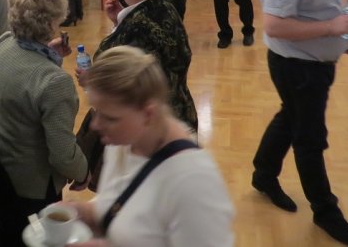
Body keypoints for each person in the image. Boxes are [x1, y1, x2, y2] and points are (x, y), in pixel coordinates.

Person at [251, 0, 348, 246]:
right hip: (297, 67)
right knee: (310, 137)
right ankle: (325, 210)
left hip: (314, 62)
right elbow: (274, 26)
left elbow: (316, 8)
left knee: (291, 117)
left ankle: (263, 174)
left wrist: (335, 41)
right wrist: (331, 29)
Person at [67, 47, 234, 247]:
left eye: (109, 118)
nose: (95, 125)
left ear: (148, 114)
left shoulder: (194, 184)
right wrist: (83, 213)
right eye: (97, 111)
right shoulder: (123, 141)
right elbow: (122, 209)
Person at [0, 0, 88, 245]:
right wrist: (84, 172)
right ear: (53, 21)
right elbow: (62, 154)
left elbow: (24, 78)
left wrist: (49, 54)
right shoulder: (55, 82)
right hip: (32, 188)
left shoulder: (3, 43)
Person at [94, 0, 198, 131]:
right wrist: (120, 19)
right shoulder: (169, 9)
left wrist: (120, 24)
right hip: (182, 113)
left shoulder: (134, 26)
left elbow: (103, 65)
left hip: (150, 126)